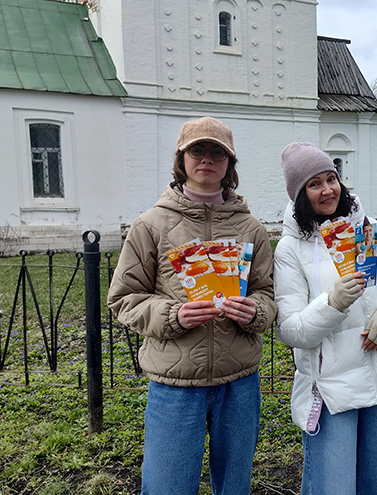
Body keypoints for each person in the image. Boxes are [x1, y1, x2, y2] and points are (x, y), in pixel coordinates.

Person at [107, 116, 277, 495]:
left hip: (239, 382)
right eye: (197, 150)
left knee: (235, 488)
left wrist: (255, 312)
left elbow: (267, 294)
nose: (207, 159)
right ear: (181, 159)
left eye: (218, 152)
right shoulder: (151, 225)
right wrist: (173, 315)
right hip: (175, 384)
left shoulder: (251, 229)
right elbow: (123, 298)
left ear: (230, 164)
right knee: (167, 486)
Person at [273, 142, 377, 495]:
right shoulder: (290, 249)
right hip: (332, 390)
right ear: (300, 195)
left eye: (331, 179)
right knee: (333, 486)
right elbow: (290, 329)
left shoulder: (368, 228)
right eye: (314, 184)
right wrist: (332, 303)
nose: (327, 190)